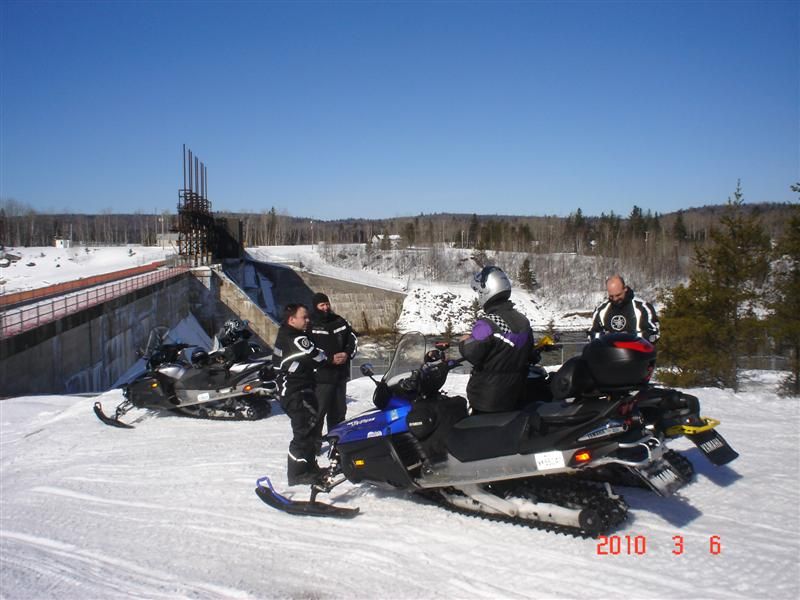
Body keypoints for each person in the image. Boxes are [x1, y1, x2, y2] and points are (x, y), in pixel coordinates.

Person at [459, 266, 534, 413]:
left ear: (486, 291)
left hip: (487, 400)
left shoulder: (488, 323)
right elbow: (529, 352)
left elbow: (472, 352)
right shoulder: (522, 320)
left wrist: (463, 341)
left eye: (479, 292)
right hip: (515, 396)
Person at [273, 304, 327, 485]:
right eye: (304, 317)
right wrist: (325, 356)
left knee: (311, 430)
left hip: (302, 388)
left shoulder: (290, 334)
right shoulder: (295, 338)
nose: (308, 320)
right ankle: (296, 474)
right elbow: (317, 357)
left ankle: (310, 467)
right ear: (292, 320)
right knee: (303, 432)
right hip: (295, 392)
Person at [308, 292, 358, 444]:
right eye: (322, 305)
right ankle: (314, 444)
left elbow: (352, 339)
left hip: (340, 375)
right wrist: (329, 359)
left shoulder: (339, 321)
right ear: (316, 307)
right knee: (318, 412)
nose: (326, 307)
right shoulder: (310, 325)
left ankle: (336, 441)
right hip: (321, 377)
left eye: (327, 304)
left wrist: (347, 354)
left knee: (339, 411)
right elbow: (308, 350)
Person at [588, 274, 660, 343]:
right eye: (611, 296)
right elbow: (591, 335)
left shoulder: (643, 308)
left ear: (625, 289)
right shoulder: (601, 309)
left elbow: (654, 334)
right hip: (609, 354)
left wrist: (629, 337)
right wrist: (607, 337)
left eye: (618, 295)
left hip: (637, 353)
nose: (615, 299)